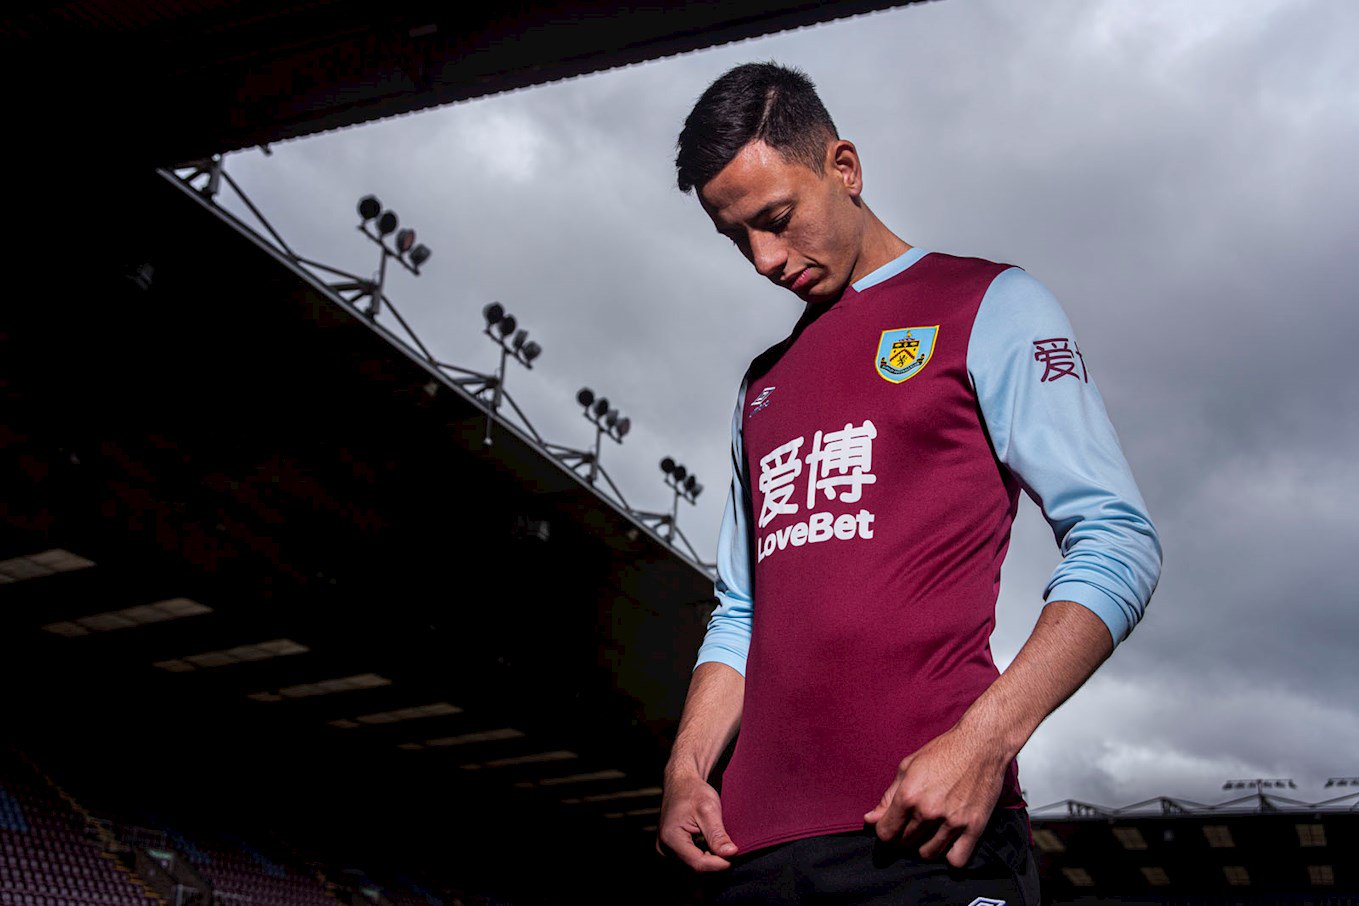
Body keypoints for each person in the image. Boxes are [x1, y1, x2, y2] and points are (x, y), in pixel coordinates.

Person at [655, 62, 1162, 904]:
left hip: (925, 832)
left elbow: (1116, 538)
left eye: (775, 220)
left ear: (844, 168)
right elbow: (742, 610)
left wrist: (984, 742)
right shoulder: (762, 383)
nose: (764, 259)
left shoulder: (987, 303)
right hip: (749, 855)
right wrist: (684, 770)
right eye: (735, 237)